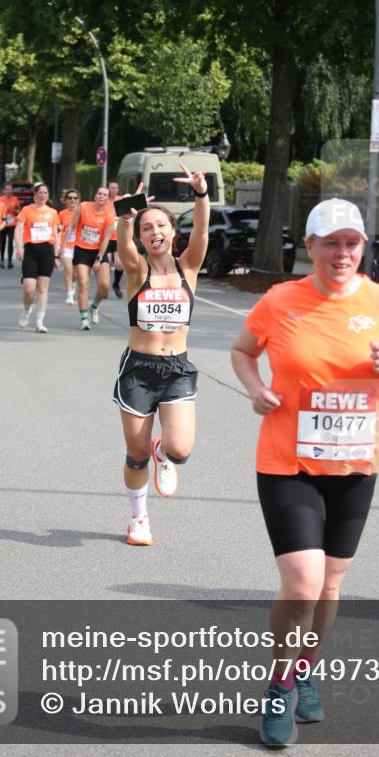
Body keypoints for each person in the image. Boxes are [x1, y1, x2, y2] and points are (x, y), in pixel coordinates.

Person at [230, 198, 379, 747]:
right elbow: (242, 352)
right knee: (303, 582)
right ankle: (280, 686)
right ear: (310, 246)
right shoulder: (280, 301)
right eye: (331, 243)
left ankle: (304, 668)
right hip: (287, 462)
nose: (343, 253)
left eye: (352, 243)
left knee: (331, 583)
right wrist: (256, 389)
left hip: (355, 465)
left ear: (363, 247)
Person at [113, 166, 209, 546]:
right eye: (146, 228)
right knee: (136, 453)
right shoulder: (137, 270)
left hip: (177, 369)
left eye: (161, 226)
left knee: (180, 449)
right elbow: (124, 247)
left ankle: (164, 452)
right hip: (139, 370)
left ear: (172, 232)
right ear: (141, 237)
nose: (154, 232)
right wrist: (125, 220)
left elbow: (202, 230)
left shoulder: (189, 267)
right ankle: (139, 519)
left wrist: (201, 194)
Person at [14, 182, 61, 333]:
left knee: (42, 288)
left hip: (47, 251)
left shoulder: (52, 212)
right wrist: (19, 248)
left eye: (45, 193)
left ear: (48, 195)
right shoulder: (27, 210)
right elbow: (18, 230)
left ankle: (40, 321)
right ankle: (26, 310)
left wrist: (56, 255)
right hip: (31, 251)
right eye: (40, 192)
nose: (43, 195)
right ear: (35, 195)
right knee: (29, 288)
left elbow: (55, 234)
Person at [68, 186, 116, 330]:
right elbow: (72, 225)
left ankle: (94, 306)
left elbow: (106, 239)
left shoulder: (109, 215)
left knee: (104, 285)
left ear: (108, 199)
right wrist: (63, 245)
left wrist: (99, 259)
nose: (101, 196)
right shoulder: (83, 207)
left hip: (99, 251)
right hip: (82, 250)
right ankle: (84, 319)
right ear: (95, 195)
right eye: (99, 193)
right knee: (83, 283)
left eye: (105, 195)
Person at [58, 189, 80, 305]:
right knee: (68, 270)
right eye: (70, 198)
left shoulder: (82, 213)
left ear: (78, 200)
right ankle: (69, 295)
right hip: (66, 245)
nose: (72, 200)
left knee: (75, 274)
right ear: (66, 200)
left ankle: (73, 283)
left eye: (75, 198)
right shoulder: (62, 214)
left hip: (79, 246)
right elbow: (58, 228)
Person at [107, 180, 125, 298]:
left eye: (116, 188)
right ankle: (104, 286)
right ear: (108, 189)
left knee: (119, 264)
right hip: (106, 238)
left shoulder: (121, 200)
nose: (114, 190)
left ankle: (116, 284)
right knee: (107, 263)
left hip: (118, 237)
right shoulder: (104, 201)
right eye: (112, 188)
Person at [0, 182, 20, 269]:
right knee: (2, 242)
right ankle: (2, 259)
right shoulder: (0, 200)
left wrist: (13, 210)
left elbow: (18, 211)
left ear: (12, 190)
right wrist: (4, 210)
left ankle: (10, 261)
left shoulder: (15, 199)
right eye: (7, 189)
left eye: (10, 189)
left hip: (12, 223)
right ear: (4, 191)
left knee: (10, 242)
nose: (9, 191)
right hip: (3, 223)